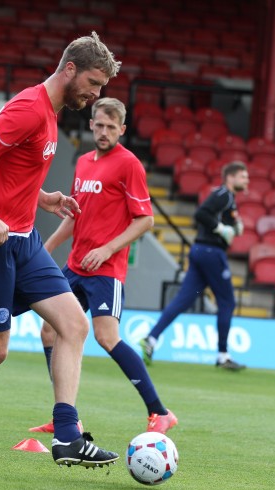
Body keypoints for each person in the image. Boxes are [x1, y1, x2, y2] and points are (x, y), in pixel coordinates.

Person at [0, 32, 121, 470]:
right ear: (69, 69)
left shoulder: (51, 115)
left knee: (73, 325)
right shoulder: (32, 108)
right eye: (92, 83)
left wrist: (44, 198)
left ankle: (68, 437)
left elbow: (10, 172)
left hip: (25, 240)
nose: (95, 95)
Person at [28, 97, 177, 436]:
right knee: (49, 330)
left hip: (106, 269)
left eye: (112, 126)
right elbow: (74, 216)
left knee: (106, 337)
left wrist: (108, 248)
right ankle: (67, 416)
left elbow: (146, 220)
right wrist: (46, 248)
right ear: (91, 124)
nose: (105, 131)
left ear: (122, 129)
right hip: (75, 265)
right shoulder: (83, 163)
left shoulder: (129, 165)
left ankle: (159, 411)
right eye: (100, 124)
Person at [140, 161, 250, 371]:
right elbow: (201, 214)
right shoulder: (224, 195)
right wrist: (220, 228)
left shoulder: (228, 199)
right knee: (227, 302)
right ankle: (222, 355)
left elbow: (214, 216)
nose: (247, 181)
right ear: (231, 177)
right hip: (211, 253)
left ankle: (151, 339)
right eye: (243, 176)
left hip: (200, 252)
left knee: (183, 300)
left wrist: (233, 226)